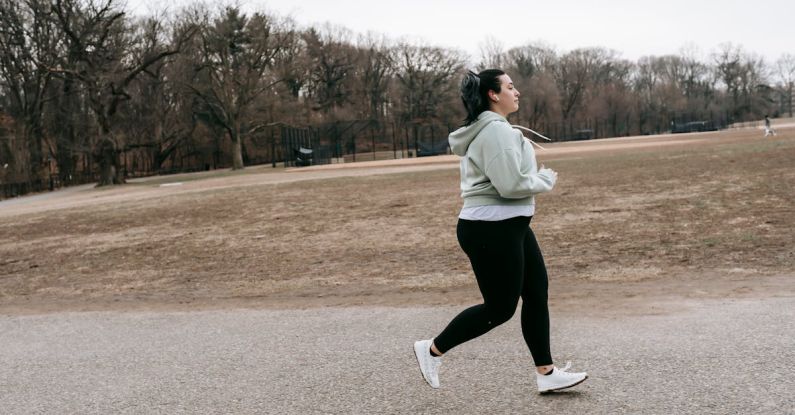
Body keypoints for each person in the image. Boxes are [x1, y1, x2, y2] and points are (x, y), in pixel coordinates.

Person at [413, 69, 588, 394]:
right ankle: (432, 349)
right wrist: (545, 180)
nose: (516, 91)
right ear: (493, 95)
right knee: (500, 308)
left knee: (536, 292)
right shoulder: (494, 131)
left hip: (510, 225)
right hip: (490, 228)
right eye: (510, 87)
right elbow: (509, 185)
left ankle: (546, 374)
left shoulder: (496, 128)